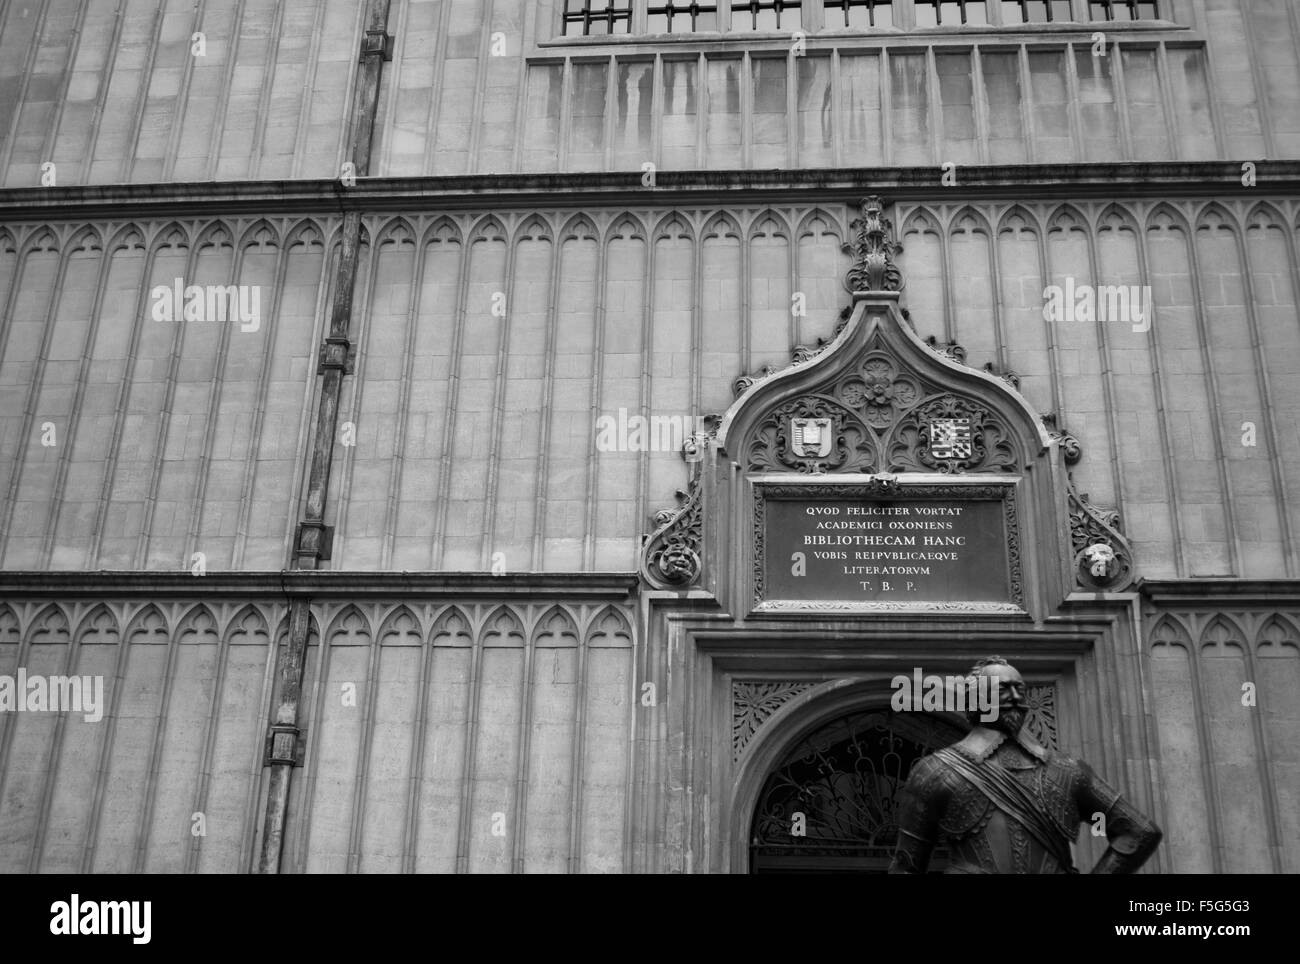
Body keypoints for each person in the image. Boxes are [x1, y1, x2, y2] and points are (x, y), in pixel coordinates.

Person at [889, 656, 1162, 874]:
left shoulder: (1067, 771)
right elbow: (907, 865)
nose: (1016, 698)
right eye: (1003, 690)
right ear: (976, 698)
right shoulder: (936, 772)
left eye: (1019, 689)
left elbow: (1137, 830)